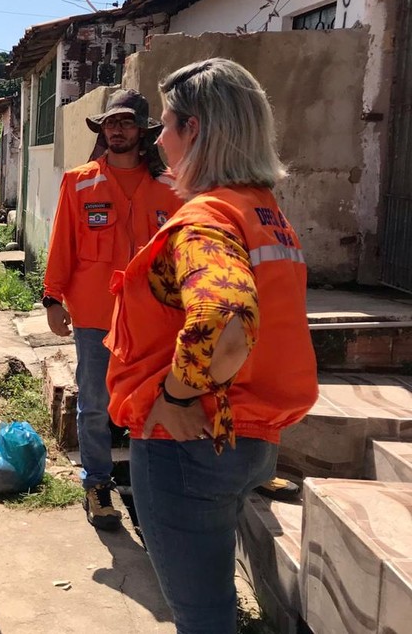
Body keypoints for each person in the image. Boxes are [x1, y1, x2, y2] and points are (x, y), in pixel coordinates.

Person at [104, 58, 318, 633]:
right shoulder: (265, 214)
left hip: (187, 443)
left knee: (203, 618)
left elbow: (225, 318)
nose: (159, 140)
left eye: (166, 126)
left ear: (193, 130)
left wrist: (174, 396)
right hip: (248, 440)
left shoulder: (206, 218)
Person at [42, 89, 181, 530]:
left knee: (148, 404)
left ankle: (145, 485)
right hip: (95, 315)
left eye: (126, 122)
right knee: (95, 405)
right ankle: (97, 484)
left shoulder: (172, 187)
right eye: (110, 123)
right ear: (103, 130)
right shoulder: (79, 182)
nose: (116, 129)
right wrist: (52, 297)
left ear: (144, 131)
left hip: (153, 319)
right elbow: (63, 243)